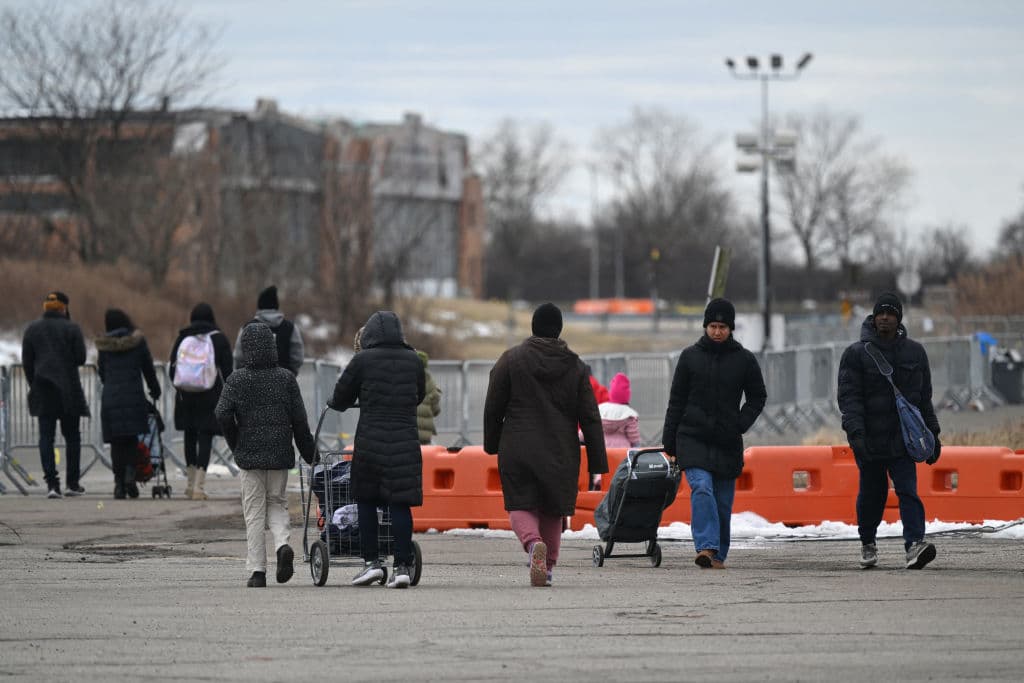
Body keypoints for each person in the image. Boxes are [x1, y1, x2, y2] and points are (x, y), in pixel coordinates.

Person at [483, 302, 608, 587]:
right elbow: (590, 416)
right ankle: (547, 567)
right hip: (560, 449)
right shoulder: (576, 366)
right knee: (553, 508)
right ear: (559, 329)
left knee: (519, 502)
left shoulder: (511, 360)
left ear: (533, 327)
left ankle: (532, 544)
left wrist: (492, 443)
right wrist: (597, 461)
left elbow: (493, 406)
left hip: (518, 446)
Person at [838, 292, 942, 570]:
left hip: (903, 439)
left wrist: (933, 435)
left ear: (899, 318)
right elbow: (849, 400)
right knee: (872, 494)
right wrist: (856, 435)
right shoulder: (856, 354)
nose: (885, 318)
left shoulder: (915, 353)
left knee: (908, 491)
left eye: (891, 313)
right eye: (880, 313)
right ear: (874, 318)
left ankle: (914, 545)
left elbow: (924, 399)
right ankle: (867, 542)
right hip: (870, 439)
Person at [661, 298, 766, 570]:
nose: (717, 332)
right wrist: (669, 442)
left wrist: (740, 423)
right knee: (702, 488)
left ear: (730, 329)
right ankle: (706, 547)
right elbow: (676, 401)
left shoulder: (744, 360)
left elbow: (758, 396)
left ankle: (717, 556)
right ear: (705, 327)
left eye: (722, 327)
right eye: (713, 326)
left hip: (726, 440)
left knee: (722, 503)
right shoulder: (689, 357)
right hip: (692, 437)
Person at [328, 311, 425, 589]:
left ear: (369, 335)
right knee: (400, 504)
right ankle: (402, 566)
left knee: (367, 501)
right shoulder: (413, 360)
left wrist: (339, 400)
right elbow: (419, 395)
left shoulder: (363, 360)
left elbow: (341, 397)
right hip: (405, 441)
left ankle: (372, 563)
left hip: (371, 442)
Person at [215, 323, 315, 588]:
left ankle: (258, 572)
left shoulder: (237, 379)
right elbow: (300, 421)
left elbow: (222, 413)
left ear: (246, 349)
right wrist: (310, 453)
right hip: (280, 452)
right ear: (272, 347)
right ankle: (282, 545)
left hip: (249, 455)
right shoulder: (286, 378)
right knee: (277, 503)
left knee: (254, 512)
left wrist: (236, 442)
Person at [21, 291, 90, 498]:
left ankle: (52, 484)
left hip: (43, 388)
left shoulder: (32, 329)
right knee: (72, 437)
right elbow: (81, 358)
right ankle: (72, 483)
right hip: (68, 389)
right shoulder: (72, 328)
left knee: (46, 437)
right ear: (64, 308)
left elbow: (27, 362)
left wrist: (34, 384)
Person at [169, 303, 234, 500]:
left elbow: (172, 368)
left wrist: (181, 387)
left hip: (185, 395)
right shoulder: (218, 338)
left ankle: (189, 484)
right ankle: (199, 486)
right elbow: (228, 371)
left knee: (189, 435)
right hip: (209, 394)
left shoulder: (183, 337)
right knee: (205, 436)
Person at [95, 309, 161, 499]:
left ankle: (118, 484)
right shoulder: (137, 342)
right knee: (132, 439)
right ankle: (130, 476)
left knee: (116, 443)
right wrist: (155, 389)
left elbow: (102, 372)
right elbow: (148, 368)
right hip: (133, 396)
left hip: (111, 397)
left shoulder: (104, 345)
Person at [233, 285, 304, 375]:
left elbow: (239, 357)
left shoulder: (247, 327)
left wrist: (243, 375)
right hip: (284, 379)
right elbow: (297, 358)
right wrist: (291, 374)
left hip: (251, 379)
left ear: (260, 306)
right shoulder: (290, 327)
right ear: (276, 305)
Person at [599, 372, 642, 449]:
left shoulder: (600, 410)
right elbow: (634, 439)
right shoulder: (629, 414)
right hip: (622, 452)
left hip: (601, 450)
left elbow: (587, 430)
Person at [416, 351, 442, 445]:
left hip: (408, 432)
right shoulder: (430, 382)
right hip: (425, 434)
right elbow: (436, 410)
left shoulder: (405, 378)